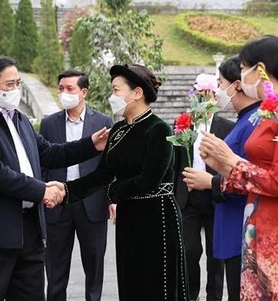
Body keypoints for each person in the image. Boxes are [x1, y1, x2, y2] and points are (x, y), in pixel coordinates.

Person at [0, 54, 109, 301]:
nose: (15, 90)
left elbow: (47, 151)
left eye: (18, 83)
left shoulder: (18, 118)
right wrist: (41, 190)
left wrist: (90, 145)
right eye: (9, 84)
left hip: (29, 231)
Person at [61, 64, 189, 300]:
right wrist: (65, 191)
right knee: (131, 281)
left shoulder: (158, 130)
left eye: (116, 90)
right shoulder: (119, 130)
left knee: (155, 284)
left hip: (156, 216)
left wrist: (114, 191)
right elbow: (102, 174)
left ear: (137, 93)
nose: (112, 97)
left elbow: (149, 180)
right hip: (129, 215)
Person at [199, 35, 278, 301]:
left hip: (274, 227)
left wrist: (232, 162)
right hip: (256, 219)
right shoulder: (270, 110)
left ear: (260, 69)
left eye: (244, 67)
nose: (242, 74)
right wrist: (223, 166)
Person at [181, 56, 260, 301]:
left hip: (242, 224)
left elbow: (254, 176)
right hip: (228, 220)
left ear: (238, 84)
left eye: (220, 82)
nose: (217, 89)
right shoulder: (244, 120)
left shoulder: (253, 121)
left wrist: (211, 181)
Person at [39, 70, 114, 301]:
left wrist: (112, 198)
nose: (64, 93)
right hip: (57, 203)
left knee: (94, 265)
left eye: (70, 89)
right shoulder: (49, 123)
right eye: (61, 88)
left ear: (83, 92)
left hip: (90, 203)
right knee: (55, 268)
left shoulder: (103, 123)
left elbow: (110, 165)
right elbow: (43, 162)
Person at [174, 74, 234, 301]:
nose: (204, 98)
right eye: (199, 94)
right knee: (189, 252)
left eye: (208, 93)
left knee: (215, 255)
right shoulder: (183, 125)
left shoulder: (227, 127)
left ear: (214, 96)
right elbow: (176, 160)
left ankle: (214, 297)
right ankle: (190, 295)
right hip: (189, 197)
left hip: (215, 195)